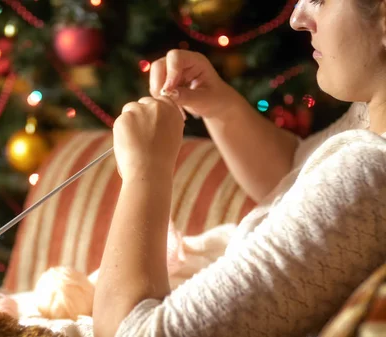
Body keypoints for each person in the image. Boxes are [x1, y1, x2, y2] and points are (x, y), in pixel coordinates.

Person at [93, 0, 386, 336]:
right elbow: (297, 177)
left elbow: (130, 332)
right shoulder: (368, 122)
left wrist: (146, 171)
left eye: (320, 0)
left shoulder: (372, 172)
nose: (297, 18)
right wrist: (222, 107)